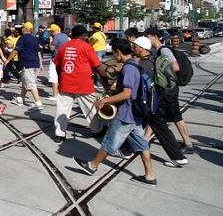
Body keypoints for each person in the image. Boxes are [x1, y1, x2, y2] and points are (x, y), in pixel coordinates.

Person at [73, 38, 157, 187]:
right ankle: (150, 175)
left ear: (118, 52)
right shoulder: (134, 65)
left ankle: (92, 166)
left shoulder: (129, 68)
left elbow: (127, 94)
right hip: (135, 115)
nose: (113, 56)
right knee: (142, 144)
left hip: (126, 113)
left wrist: (105, 101)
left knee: (110, 141)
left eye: (113, 52)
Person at [132, 37, 189, 167]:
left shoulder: (143, 65)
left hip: (150, 103)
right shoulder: (154, 60)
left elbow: (137, 85)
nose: (133, 48)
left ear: (141, 48)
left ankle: (126, 150)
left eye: (135, 46)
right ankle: (178, 157)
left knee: (129, 124)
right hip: (159, 100)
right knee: (160, 128)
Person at [144, 27, 195, 155]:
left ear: (154, 37)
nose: (146, 40)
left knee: (175, 116)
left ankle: (188, 143)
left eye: (147, 37)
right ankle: (144, 140)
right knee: (156, 115)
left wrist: (159, 71)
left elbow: (175, 67)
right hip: (162, 89)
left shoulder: (163, 50)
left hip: (169, 89)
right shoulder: (155, 50)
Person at [53, 25, 106, 143]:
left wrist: (60, 77)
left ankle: (59, 133)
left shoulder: (64, 47)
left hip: (66, 82)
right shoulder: (86, 47)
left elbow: (57, 65)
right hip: (83, 84)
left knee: (62, 108)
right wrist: (105, 81)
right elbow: (98, 66)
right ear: (83, 35)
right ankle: (96, 130)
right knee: (89, 108)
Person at [5, 22, 44, 110]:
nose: (21, 29)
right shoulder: (34, 39)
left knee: (31, 83)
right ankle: (20, 99)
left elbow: (16, 51)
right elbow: (38, 52)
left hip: (27, 64)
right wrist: (41, 64)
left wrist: (7, 60)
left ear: (25, 29)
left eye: (22, 27)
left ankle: (38, 102)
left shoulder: (22, 38)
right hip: (35, 64)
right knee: (25, 82)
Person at [47, 24, 70, 101]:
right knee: (61, 77)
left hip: (55, 59)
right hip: (64, 59)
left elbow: (52, 48)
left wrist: (50, 41)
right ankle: (62, 93)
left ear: (54, 31)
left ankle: (55, 95)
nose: (50, 33)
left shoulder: (56, 37)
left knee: (53, 77)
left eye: (51, 32)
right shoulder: (65, 36)